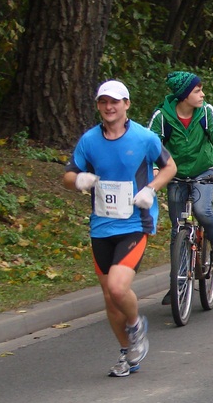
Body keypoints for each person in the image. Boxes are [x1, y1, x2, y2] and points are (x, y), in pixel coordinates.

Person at [63, 80, 177, 377]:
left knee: (117, 287)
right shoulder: (89, 140)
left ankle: (137, 324)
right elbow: (69, 173)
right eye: (103, 102)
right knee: (109, 297)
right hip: (101, 225)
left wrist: (151, 189)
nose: (109, 107)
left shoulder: (144, 138)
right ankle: (127, 353)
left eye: (115, 102)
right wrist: (78, 180)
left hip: (134, 223)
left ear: (126, 104)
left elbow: (170, 167)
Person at [148, 71, 213, 306]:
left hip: (202, 171)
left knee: (202, 209)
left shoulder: (206, 112)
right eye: (197, 90)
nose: (202, 94)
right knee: (178, 230)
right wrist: (155, 169)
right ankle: (177, 284)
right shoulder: (162, 117)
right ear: (184, 95)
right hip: (175, 174)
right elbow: (150, 145)